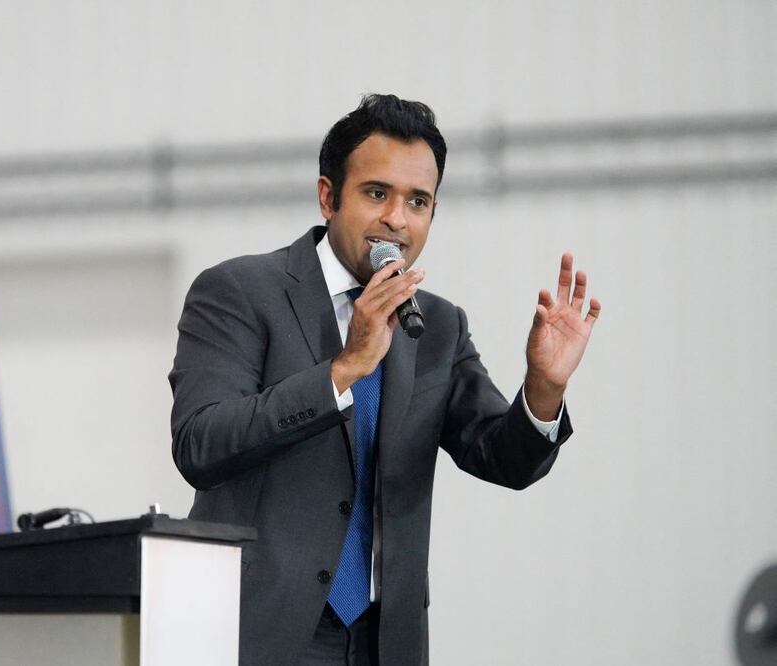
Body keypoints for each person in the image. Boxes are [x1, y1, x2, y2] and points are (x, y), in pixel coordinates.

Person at [169, 94, 600, 666]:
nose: (397, 218)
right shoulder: (241, 292)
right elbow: (200, 443)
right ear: (329, 197)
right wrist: (344, 368)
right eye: (377, 194)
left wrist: (545, 386)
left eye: (417, 201)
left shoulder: (438, 326)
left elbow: (504, 458)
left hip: (385, 641)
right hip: (262, 633)